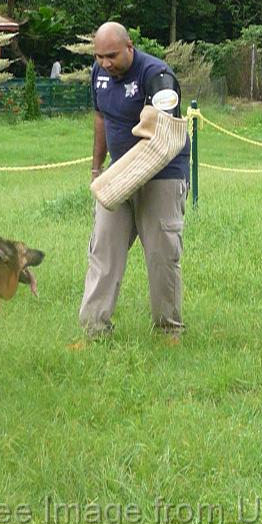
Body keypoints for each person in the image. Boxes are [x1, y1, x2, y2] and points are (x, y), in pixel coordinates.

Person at [76, 22, 190, 344]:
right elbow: (101, 118)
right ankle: (93, 331)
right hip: (118, 175)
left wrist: (126, 176)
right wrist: (98, 168)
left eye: (111, 55)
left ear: (130, 47)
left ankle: (169, 331)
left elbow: (164, 137)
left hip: (162, 175)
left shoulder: (158, 76)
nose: (105, 63)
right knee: (103, 250)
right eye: (99, 57)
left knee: (161, 254)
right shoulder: (98, 75)